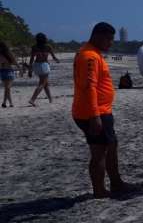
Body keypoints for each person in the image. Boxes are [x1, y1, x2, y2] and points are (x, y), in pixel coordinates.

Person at [72, 23, 129, 198]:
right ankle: (99, 190)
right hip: (94, 113)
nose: (111, 43)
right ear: (97, 35)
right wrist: (95, 116)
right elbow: (90, 87)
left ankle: (116, 182)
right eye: (109, 39)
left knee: (111, 145)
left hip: (101, 111)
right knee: (99, 152)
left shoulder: (92, 53)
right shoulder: (90, 56)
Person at [28, 33, 60, 106]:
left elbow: (32, 59)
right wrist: (57, 60)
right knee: (42, 83)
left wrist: (30, 70)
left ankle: (50, 99)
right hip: (44, 65)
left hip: (36, 65)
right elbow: (53, 57)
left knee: (45, 83)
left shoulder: (34, 47)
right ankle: (32, 99)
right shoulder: (48, 47)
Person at [0, 41, 18, 108]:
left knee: (7, 88)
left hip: (2, 71)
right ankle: (6, 102)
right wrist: (20, 68)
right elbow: (14, 61)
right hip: (9, 70)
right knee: (7, 88)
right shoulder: (8, 53)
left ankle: (8, 103)